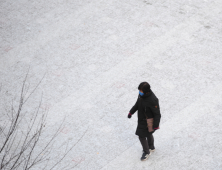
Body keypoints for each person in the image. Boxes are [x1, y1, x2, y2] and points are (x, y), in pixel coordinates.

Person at [128, 82, 161, 161]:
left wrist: (156, 125)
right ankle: (151, 147)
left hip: (148, 120)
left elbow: (157, 114)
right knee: (148, 134)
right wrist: (131, 112)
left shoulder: (153, 100)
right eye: (139, 90)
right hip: (141, 119)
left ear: (146, 91)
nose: (140, 92)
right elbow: (137, 104)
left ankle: (146, 152)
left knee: (142, 136)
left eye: (141, 90)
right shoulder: (141, 96)